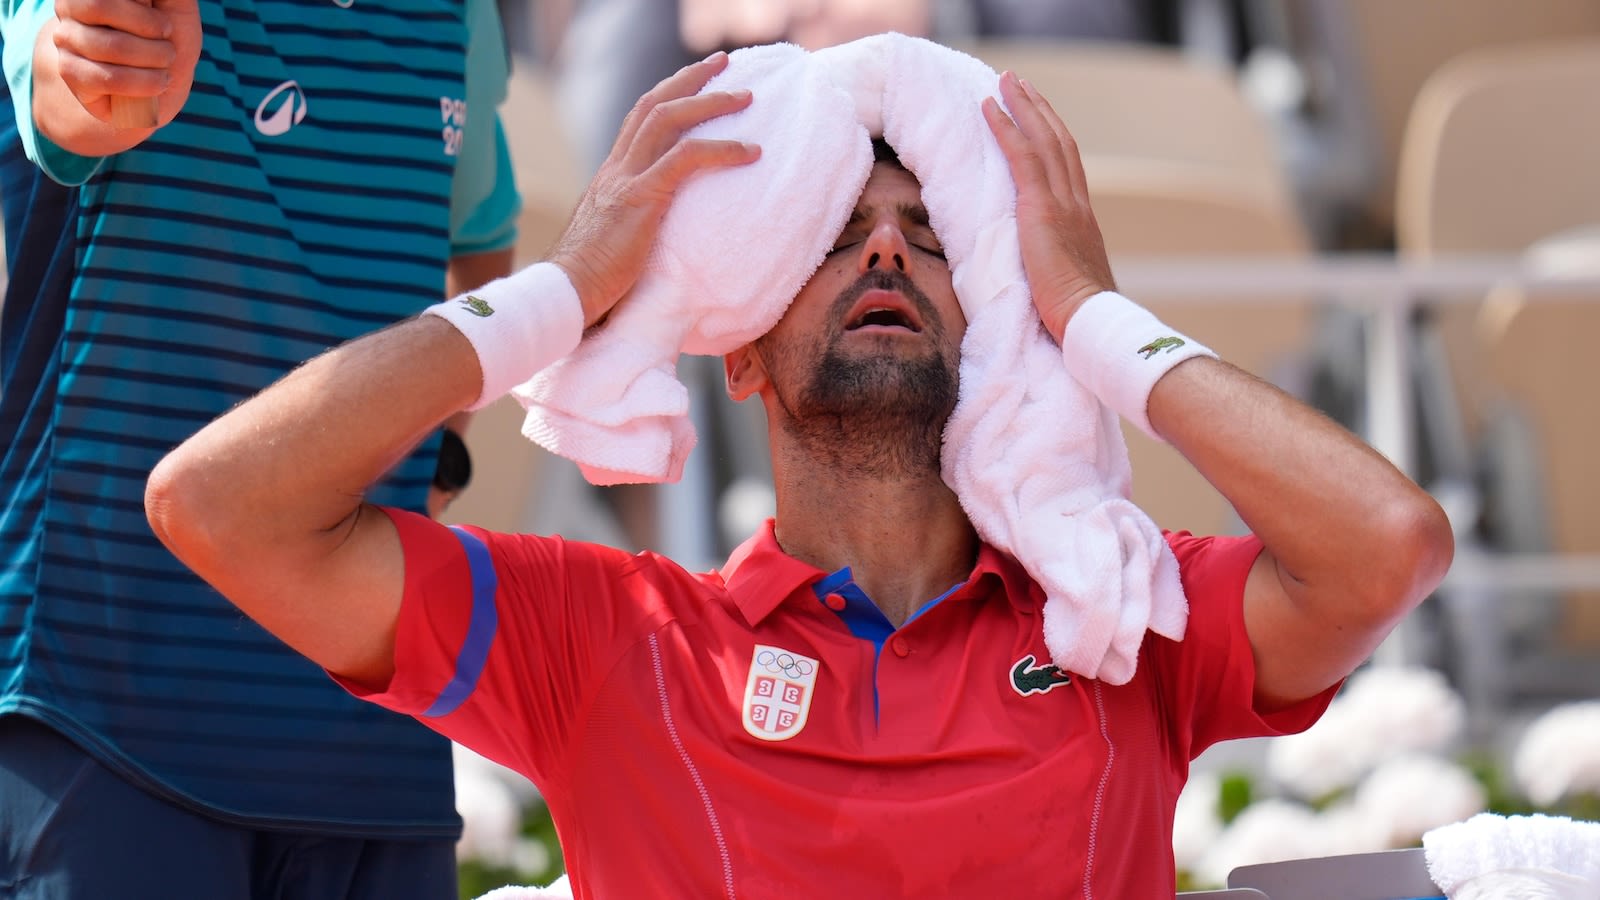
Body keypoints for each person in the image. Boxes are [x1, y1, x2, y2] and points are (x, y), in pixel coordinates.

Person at [144, 53, 1454, 896]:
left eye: (932, 238)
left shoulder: (1111, 608)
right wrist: (572, 292)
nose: (884, 253)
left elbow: (1386, 542)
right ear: (742, 354)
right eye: (828, 236)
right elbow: (219, 505)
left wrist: (1094, 316)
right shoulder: (610, 639)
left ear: (991, 320)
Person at [0, 0, 520, 896]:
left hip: (376, 735)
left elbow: (484, 241)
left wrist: (440, 455)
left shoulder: (459, 14)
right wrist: (117, 61)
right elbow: (79, 83)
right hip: (106, 710)